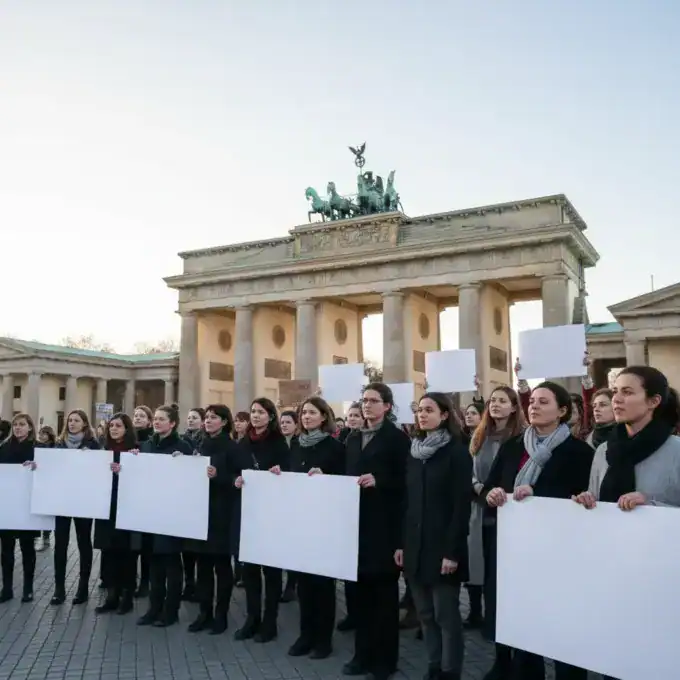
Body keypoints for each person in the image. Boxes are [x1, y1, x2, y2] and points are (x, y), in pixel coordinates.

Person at [573, 366, 680, 680]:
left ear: (654, 401)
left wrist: (652, 504)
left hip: (660, 580)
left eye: (628, 392)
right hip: (612, 573)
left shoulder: (676, 451)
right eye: (616, 391)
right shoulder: (604, 451)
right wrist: (587, 501)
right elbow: (596, 497)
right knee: (615, 660)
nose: (617, 399)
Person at [483, 381, 593, 680]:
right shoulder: (513, 447)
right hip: (517, 552)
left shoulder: (579, 452)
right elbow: (492, 486)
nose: (534, 406)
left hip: (560, 555)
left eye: (544, 402)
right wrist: (493, 494)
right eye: (532, 401)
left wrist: (538, 494)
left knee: (564, 634)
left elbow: (584, 499)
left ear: (562, 411)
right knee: (525, 633)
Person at [397, 392, 472, 680]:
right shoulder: (414, 452)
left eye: (429, 410)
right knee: (426, 614)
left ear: (444, 415)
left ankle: (450, 671)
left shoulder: (456, 452)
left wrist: (452, 553)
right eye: (420, 410)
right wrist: (401, 544)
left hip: (443, 549)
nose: (422, 415)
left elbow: (460, 506)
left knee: (445, 616)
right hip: (415, 547)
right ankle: (434, 665)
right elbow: (407, 502)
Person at [342, 383, 410, 680]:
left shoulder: (397, 439)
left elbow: (407, 482)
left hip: (385, 529)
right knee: (360, 598)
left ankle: (385, 661)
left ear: (387, 406)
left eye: (373, 400)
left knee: (383, 600)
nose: (367, 405)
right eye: (364, 400)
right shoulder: (353, 438)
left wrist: (379, 480)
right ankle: (361, 655)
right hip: (356, 527)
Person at [287, 396, 346, 660]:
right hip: (300, 522)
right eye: (303, 413)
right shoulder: (295, 445)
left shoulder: (335, 447)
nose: (306, 417)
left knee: (322, 584)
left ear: (324, 417)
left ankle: (323, 640)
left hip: (325, 524)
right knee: (304, 584)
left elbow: (345, 482)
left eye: (312, 413)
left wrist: (327, 478)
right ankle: (305, 635)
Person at [468, 387, 526, 638]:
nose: (495, 404)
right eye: (493, 400)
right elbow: (470, 470)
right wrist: (479, 488)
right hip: (480, 506)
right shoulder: (479, 435)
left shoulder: (521, 438)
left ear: (514, 407)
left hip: (509, 510)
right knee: (480, 566)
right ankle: (481, 615)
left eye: (502, 401)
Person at [233, 397, 290, 643]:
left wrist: (279, 474)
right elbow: (234, 470)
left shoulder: (279, 443)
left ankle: (270, 621)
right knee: (250, 570)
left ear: (270, 416)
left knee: (272, 571)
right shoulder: (243, 442)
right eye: (253, 411)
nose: (255, 416)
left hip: (271, 514)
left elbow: (288, 474)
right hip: (248, 512)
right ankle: (252, 618)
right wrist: (235, 480)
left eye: (261, 412)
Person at [187, 404, 247, 635]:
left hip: (222, 515)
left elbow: (240, 479)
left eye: (213, 417)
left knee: (222, 567)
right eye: (207, 417)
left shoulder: (232, 447)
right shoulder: (201, 444)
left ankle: (221, 615)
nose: (208, 421)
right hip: (200, 513)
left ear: (224, 421)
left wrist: (219, 476)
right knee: (202, 567)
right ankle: (204, 613)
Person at [135, 404, 193, 627]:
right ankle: (154, 609)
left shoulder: (183, 446)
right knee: (154, 565)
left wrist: (185, 461)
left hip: (173, 514)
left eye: (162, 419)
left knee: (172, 564)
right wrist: (134, 460)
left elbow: (191, 479)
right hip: (151, 513)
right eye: (156, 419)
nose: (157, 422)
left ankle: (171, 611)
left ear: (173, 423)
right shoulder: (147, 445)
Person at [50, 409, 100, 606]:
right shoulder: (58, 444)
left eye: (76, 420)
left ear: (84, 424)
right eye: (70, 420)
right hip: (62, 501)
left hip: (84, 501)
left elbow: (100, 470)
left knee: (83, 542)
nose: (72, 423)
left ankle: (83, 587)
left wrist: (91, 458)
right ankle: (59, 588)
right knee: (60, 544)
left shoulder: (93, 445)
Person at [93, 413, 138, 615]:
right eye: (111, 425)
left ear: (127, 429)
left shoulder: (135, 450)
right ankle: (112, 597)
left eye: (118, 425)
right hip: (106, 508)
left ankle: (127, 598)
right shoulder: (103, 451)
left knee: (126, 554)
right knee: (109, 553)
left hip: (127, 508)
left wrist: (128, 468)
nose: (113, 428)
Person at [0, 413, 38, 603]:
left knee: (27, 548)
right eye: (15, 424)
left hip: (28, 505)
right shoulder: (3, 447)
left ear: (30, 427)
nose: (18, 427)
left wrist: (36, 466)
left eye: (22, 424)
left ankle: (28, 589)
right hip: (7, 505)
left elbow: (49, 471)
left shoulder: (38, 448)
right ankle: (6, 588)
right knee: (6, 549)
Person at [336, 401, 363, 633]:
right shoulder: (347, 441)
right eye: (350, 415)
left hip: (367, 510)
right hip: (347, 510)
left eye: (356, 415)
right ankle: (353, 613)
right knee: (349, 569)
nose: (352, 419)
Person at [180, 407, 205, 603]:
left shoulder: (206, 440)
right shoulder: (182, 440)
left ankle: (200, 585)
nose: (190, 420)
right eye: (188, 417)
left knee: (199, 548)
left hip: (202, 497)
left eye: (194, 417)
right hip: (186, 496)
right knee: (186, 548)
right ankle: (189, 583)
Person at [132, 405, 154, 598]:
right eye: (135, 415)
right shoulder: (129, 439)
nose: (137, 418)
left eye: (142, 416)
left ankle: (146, 582)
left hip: (148, 497)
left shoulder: (151, 441)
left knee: (146, 545)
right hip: (131, 497)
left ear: (149, 421)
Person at [279, 409, 299, 604]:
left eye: (288, 422)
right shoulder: (278, 444)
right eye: (282, 422)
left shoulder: (298, 444)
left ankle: (291, 584)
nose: (284, 425)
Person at [35, 425, 56, 552]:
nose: (41, 436)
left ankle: (46, 538)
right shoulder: (36, 446)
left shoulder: (55, 447)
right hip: (40, 483)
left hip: (51, 484)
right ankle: (38, 537)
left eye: (44, 433)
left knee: (48, 513)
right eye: (40, 433)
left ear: (49, 435)